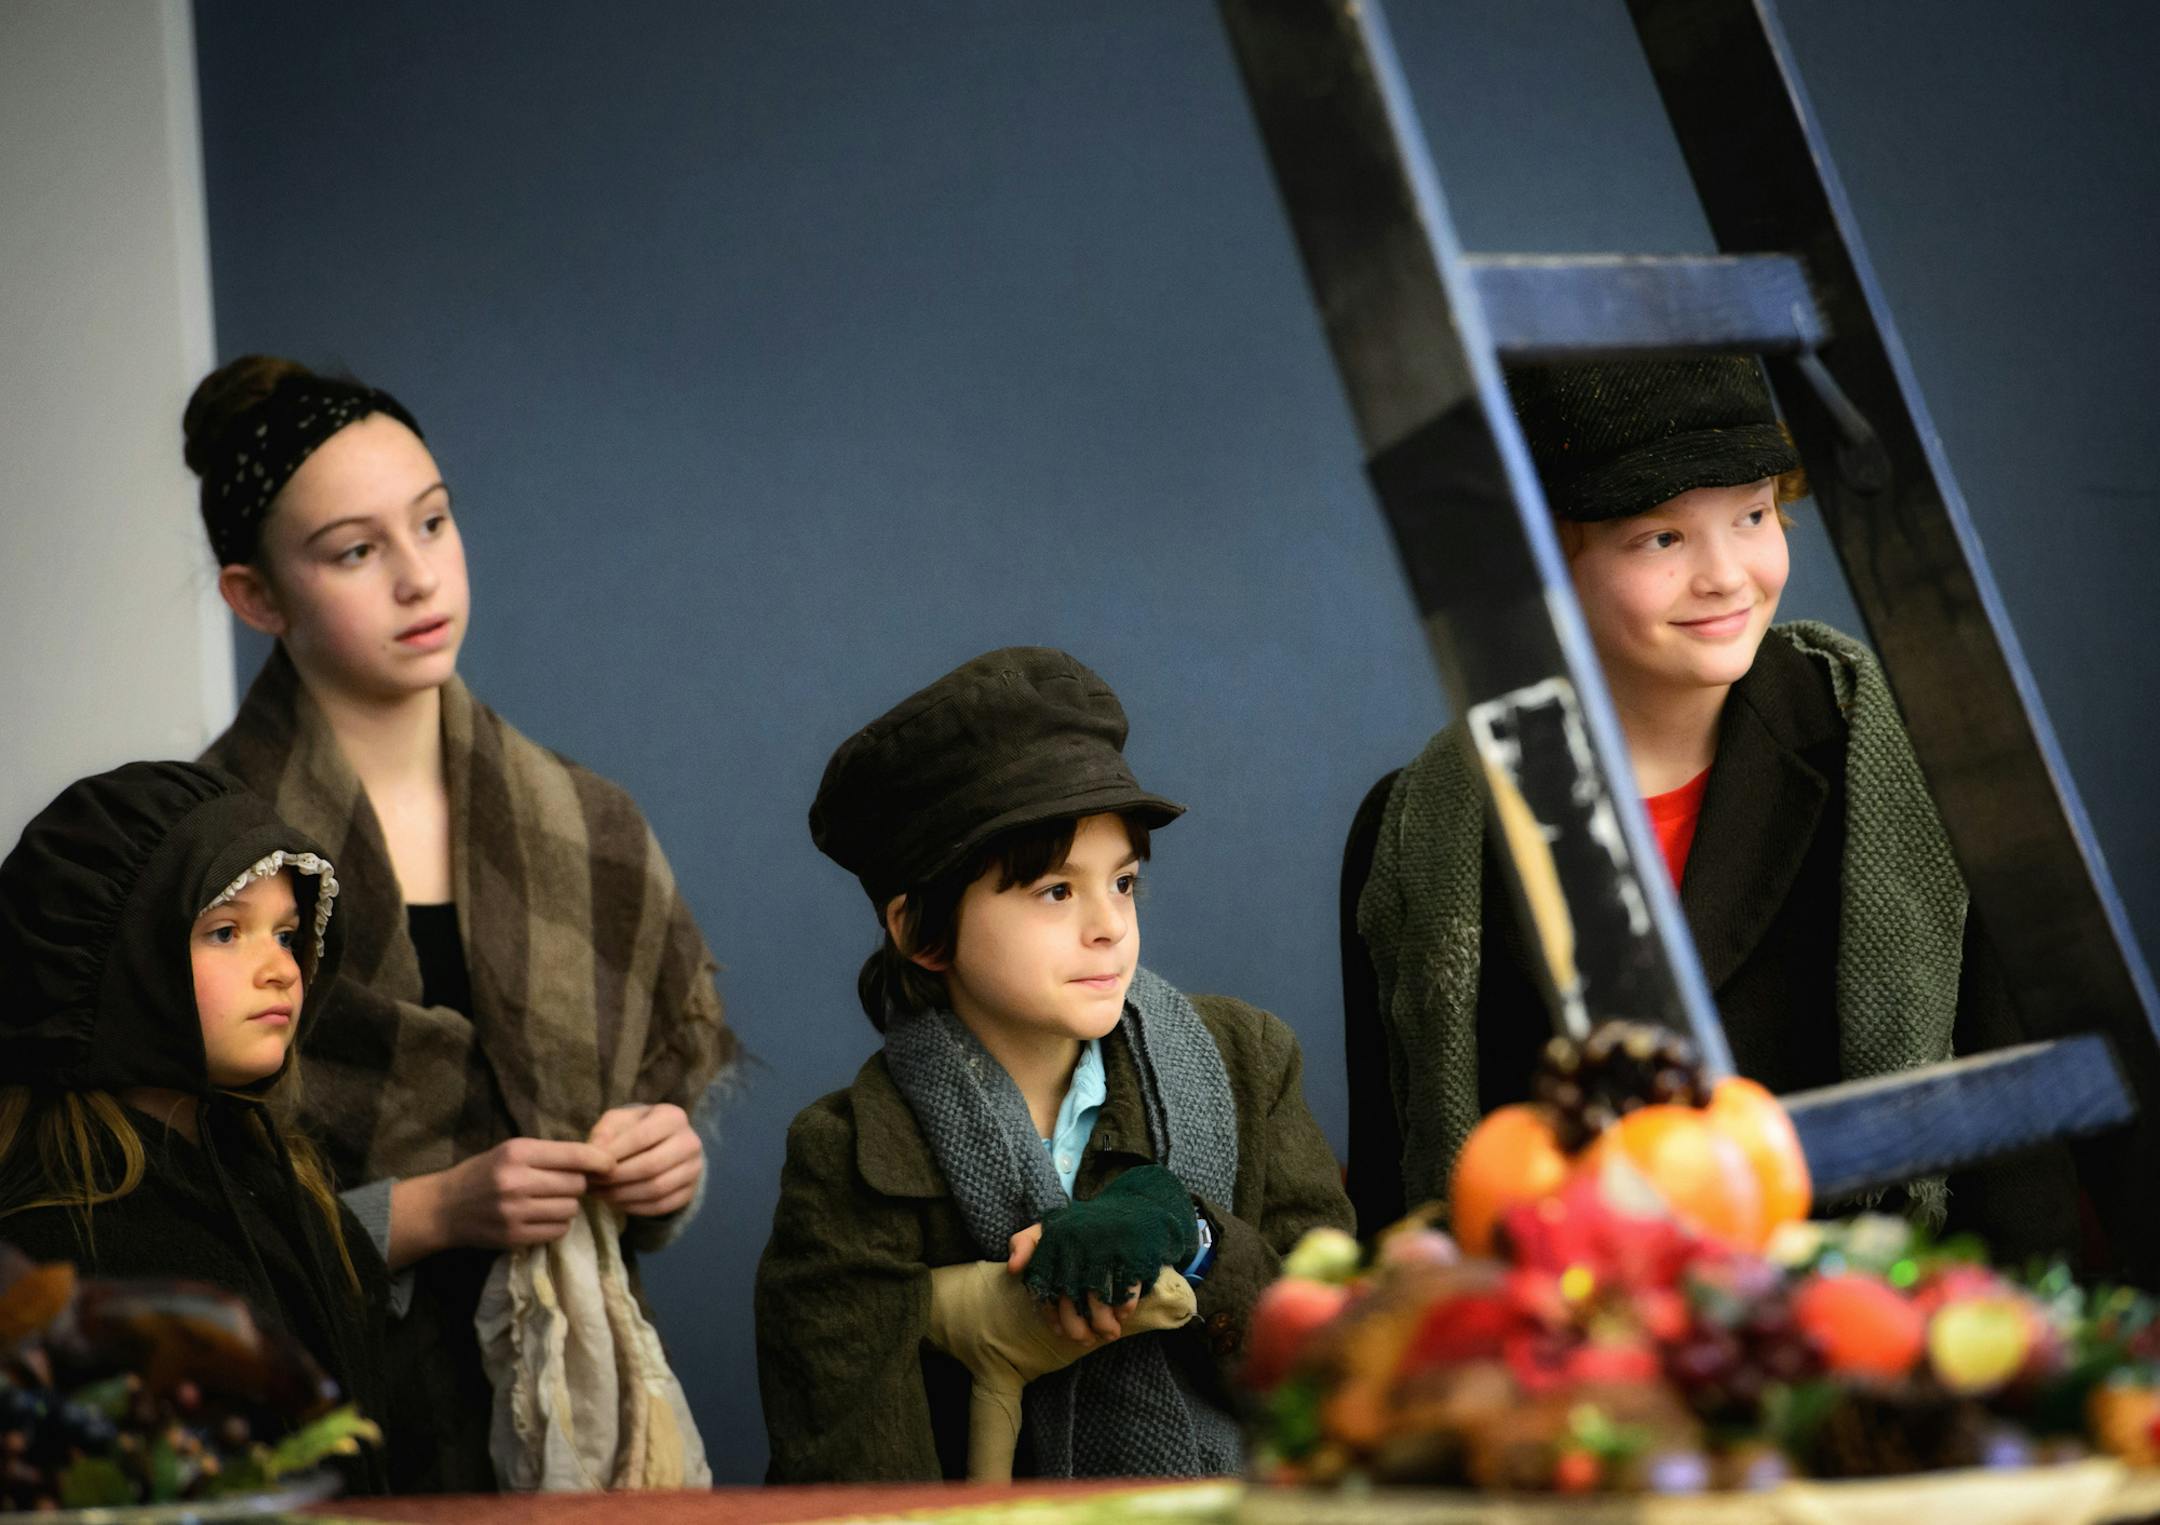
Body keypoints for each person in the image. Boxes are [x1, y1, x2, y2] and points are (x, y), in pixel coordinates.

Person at [1346, 356, 2075, 1259]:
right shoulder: (1421, 831)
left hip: (1866, 1343)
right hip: (1565, 1362)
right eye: (1662, 537)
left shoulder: (1905, 770)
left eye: (1755, 513)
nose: (1729, 574)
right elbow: (1396, 1188)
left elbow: (2023, 1170)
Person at [182, 355, 738, 1491]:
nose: (417, 577)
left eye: (432, 523)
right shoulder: (195, 858)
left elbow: (644, 1138)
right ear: (255, 597)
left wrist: (665, 1176)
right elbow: (165, 1217)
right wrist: (429, 1209)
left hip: (573, 1433)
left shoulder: (594, 829)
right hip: (307, 1432)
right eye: (354, 550)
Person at [756, 648, 1353, 1481]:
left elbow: (1347, 1374)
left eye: (1124, 881)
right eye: (1055, 891)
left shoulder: (1248, 1061)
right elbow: (858, 1483)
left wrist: (1200, 1239)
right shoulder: (848, 1157)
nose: (1108, 924)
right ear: (921, 930)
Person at [0, 762, 390, 1494]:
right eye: (225, 931)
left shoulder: (294, 1194)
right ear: (122, 961)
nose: (279, 967)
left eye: (286, 933)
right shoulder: (62, 1249)